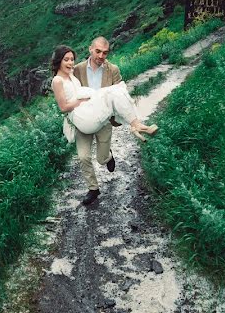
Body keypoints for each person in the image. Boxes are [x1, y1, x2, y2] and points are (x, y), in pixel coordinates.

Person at [50, 43, 158, 205]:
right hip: (81, 120)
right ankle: (93, 189)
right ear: (58, 61)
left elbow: (95, 64)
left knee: (101, 159)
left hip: (94, 115)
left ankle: (111, 152)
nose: (70, 63)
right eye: (66, 60)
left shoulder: (72, 75)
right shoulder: (57, 80)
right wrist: (81, 100)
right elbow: (63, 107)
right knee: (83, 157)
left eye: (72, 59)